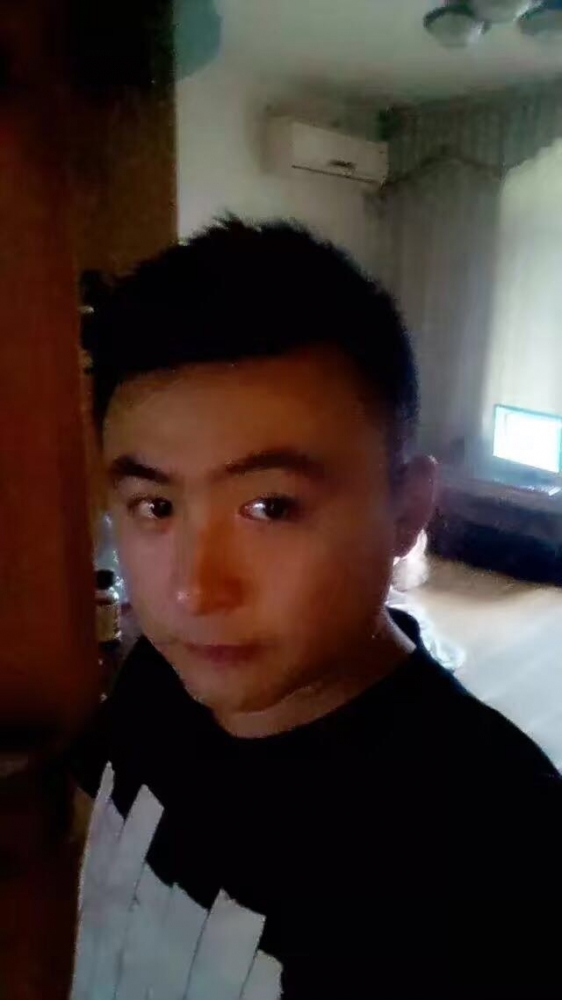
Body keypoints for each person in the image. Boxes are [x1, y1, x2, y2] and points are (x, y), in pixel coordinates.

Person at [71, 217, 562, 1000]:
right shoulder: (158, 677)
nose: (193, 592)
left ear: (407, 511)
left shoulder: (506, 853)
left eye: (270, 507)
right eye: (156, 506)